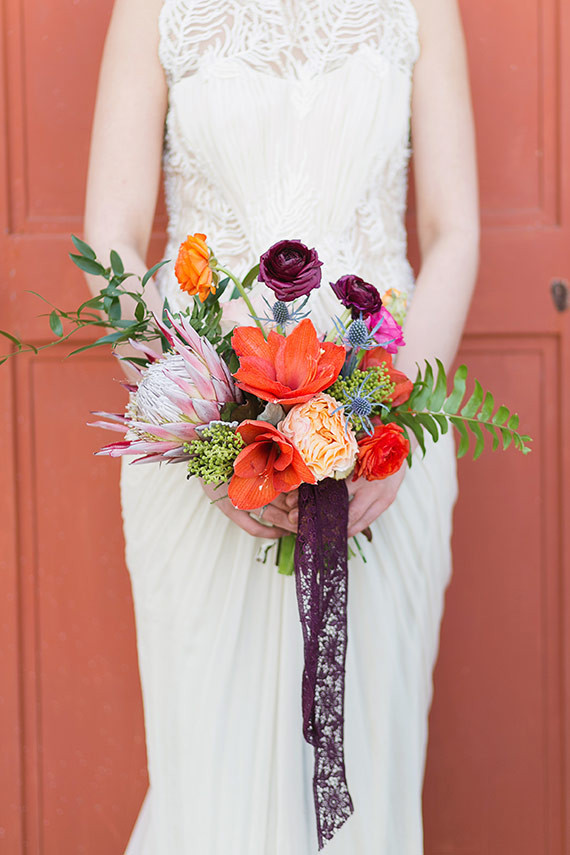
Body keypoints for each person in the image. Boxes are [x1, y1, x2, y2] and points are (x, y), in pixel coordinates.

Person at [83, 0, 479, 852]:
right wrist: (202, 437)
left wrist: (393, 434)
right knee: (211, 785)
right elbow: (109, 237)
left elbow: (454, 232)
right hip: (199, 449)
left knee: (366, 789)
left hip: (383, 449)